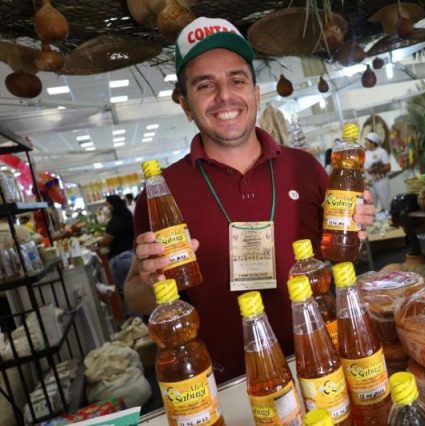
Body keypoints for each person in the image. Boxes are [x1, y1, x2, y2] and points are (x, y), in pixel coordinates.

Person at [124, 17, 375, 383]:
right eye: (205, 85)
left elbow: (340, 253)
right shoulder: (160, 191)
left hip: (326, 364)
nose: (224, 96)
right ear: (185, 105)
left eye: (237, 80)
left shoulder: (305, 167)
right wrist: (150, 280)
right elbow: (134, 296)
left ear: (256, 94)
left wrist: (357, 225)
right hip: (228, 383)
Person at [99, 195, 134, 292]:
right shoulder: (127, 214)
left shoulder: (114, 221)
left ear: (112, 205)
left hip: (120, 260)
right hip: (133, 254)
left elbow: (105, 241)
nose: (106, 207)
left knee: (127, 290)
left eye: (107, 204)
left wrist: (99, 243)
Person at [364, 132, 392, 212]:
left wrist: (376, 170)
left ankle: (389, 221)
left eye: (368, 142)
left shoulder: (382, 152)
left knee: (385, 204)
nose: (365, 144)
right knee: (373, 205)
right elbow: (364, 168)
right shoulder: (365, 153)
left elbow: (388, 167)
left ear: (373, 143)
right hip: (370, 183)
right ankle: (377, 223)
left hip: (381, 181)